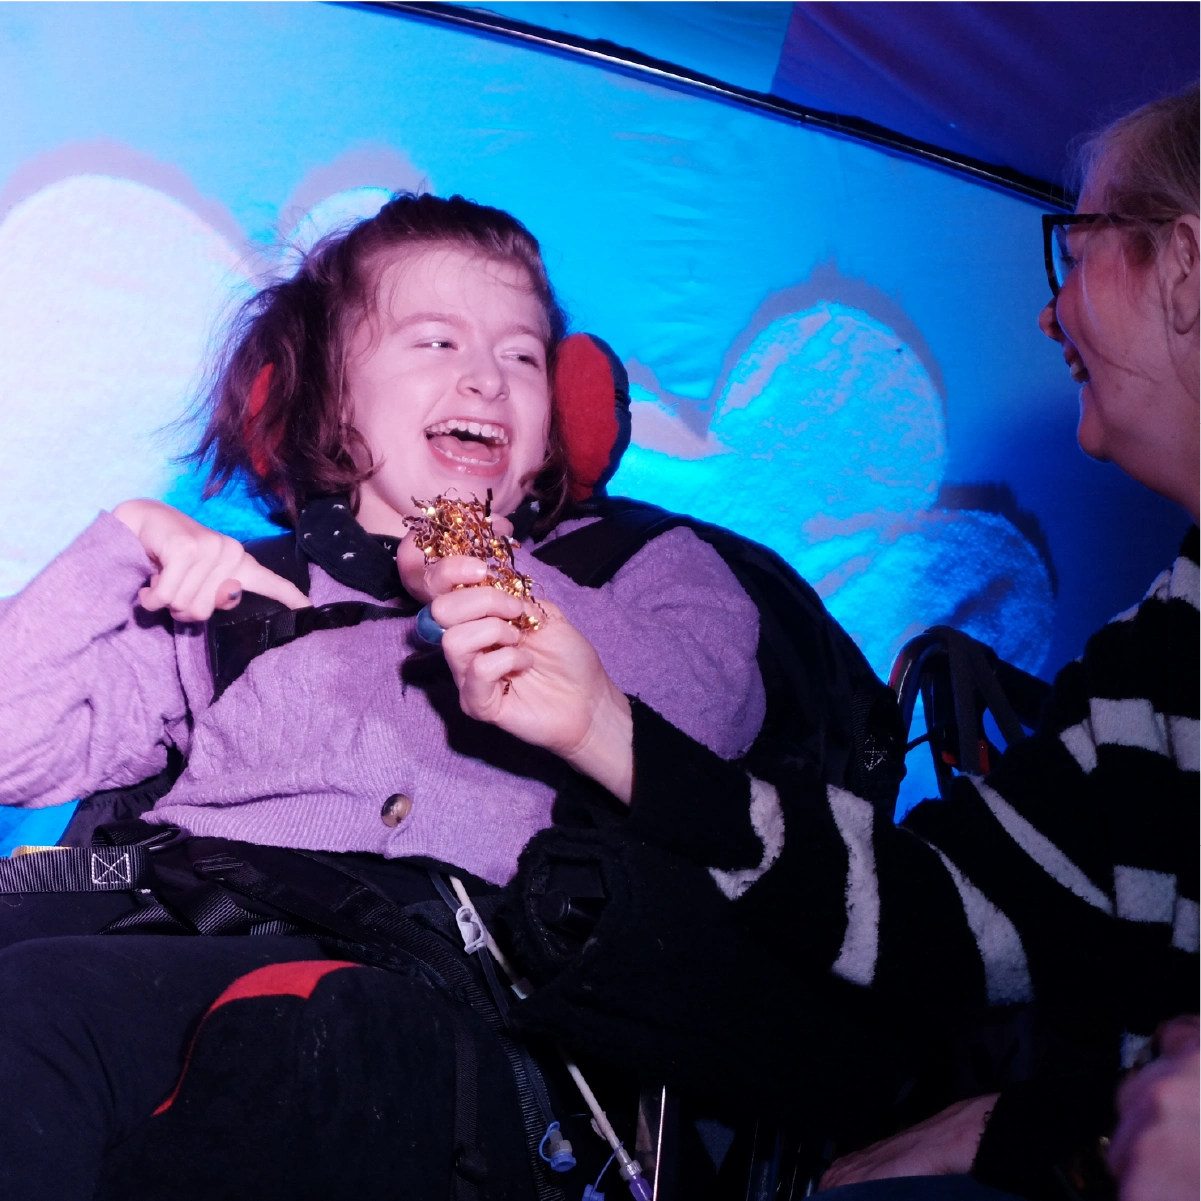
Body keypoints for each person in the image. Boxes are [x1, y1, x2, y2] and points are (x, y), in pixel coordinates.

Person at [469, 79, 1201, 1197]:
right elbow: (943, 911)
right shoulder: (1155, 659)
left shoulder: (674, 565)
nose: (1051, 314)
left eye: (1080, 246)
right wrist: (608, 732)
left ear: (1184, 270)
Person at [0, 192, 771, 1199]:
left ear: (558, 424)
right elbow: (16, 743)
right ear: (329, 399)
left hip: (445, 1007)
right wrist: (131, 537)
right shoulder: (246, 602)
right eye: (436, 339)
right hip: (178, 935)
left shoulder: (647, 567)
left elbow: (701, 719)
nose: (485, 378)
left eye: (524, 357)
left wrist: (473, 559)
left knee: (273, 1036)